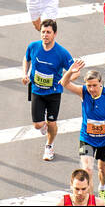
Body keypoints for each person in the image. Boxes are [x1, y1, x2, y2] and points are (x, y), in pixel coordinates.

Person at [59, 62, 105, 203]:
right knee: (87, 170)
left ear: (100, 83)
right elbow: (64, 83)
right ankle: (88, 201)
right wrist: (71, 71)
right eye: (89, 85)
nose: (91, 89)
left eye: (94, 85)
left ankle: (102, 187)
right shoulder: (83, 92)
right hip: (87, 138)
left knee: (103, 168)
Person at [22, 19, 75, 162]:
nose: (45, 35)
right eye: (43, 32)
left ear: (55, 34)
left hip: (54, 93)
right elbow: (26, 59)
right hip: (36, 90)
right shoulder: (33, 47)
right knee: (37, 125)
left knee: (52, 123)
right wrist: (25, 74)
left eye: (48, 32)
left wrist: (66, 78)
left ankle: (49, 145)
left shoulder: (61, 53)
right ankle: (45, 126)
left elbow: (75, 71)